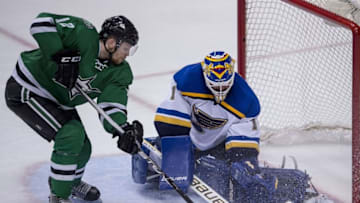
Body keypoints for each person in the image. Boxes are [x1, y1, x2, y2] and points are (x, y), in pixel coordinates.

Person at [131, 51, 322, 202]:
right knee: (146, 167)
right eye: (215, 85)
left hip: (220, 146)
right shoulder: (187, 81)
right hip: (189, 140)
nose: (221, 91)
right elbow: (170, 122)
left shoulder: (245, 102)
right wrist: (178, 153)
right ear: (205, 76)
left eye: (225, 85)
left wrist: (243, 164)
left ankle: (290, 185)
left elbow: (242, 149)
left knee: (243, 178)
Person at [5, 13, 143, 203]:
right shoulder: (84, 35)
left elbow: (111, 104)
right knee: (71, 135)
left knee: (84, 148)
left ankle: (69, 184)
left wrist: (123, 129)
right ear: (112, 43)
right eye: (126, 48)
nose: (128, 54)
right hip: (27, 88)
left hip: (57, 100)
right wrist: (59, 55)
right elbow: (41, 23)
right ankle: (59, 196)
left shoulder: (119, 72)